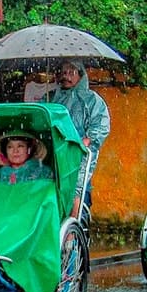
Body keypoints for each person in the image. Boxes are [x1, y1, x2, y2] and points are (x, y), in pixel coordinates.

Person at [45, 60, 110, 211]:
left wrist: (86, 140)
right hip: (55, 153)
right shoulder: (51, 98)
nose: (66, 76)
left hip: (78, 154)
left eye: (71, 72)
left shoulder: (92, 100)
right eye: (63, 72)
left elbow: (101, 124)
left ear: (81, 76)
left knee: (78, 192)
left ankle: (75, 227)